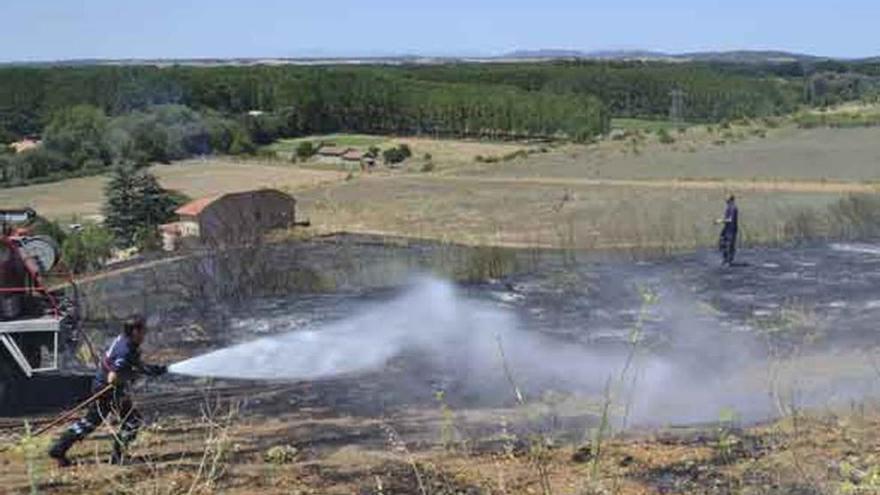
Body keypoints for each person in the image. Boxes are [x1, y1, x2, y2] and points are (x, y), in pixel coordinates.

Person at [48, 315, 167, 467]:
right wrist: (134, 375)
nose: (146, 333)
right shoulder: (126, 350)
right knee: (132, 420)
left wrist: (150, 369)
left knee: (91, 422)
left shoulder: (124, 339)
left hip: (103, 387)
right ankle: (117, 456)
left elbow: (131, 363)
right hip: (108, 390)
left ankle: (59, 448)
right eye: (144, 330)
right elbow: (113, 378)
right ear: (135, 332)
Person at [715, 195, 739, 266]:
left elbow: (730, 220)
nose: (725, 199)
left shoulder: (733, 208)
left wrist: (720, 221)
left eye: (727, 198)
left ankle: (729, 261)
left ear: (731, 199)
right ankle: (725, 260)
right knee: (722, 243)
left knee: (729, 245)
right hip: (727, 228)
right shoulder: (728, 207)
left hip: (731, 229)